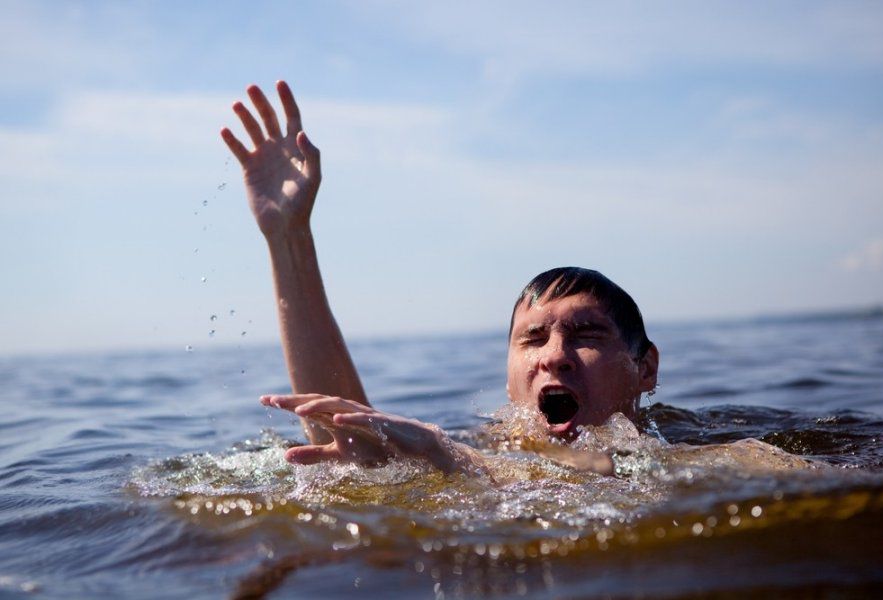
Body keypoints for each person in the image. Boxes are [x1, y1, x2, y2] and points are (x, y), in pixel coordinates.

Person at [221, 81, 659, 476]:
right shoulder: (487, 447)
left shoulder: (697, 451)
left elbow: (604, 474)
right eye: (533, 338)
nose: (554, 356)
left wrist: (445, 455)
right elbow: (349, 439)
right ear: (509, 381)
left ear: (646, 368)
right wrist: (288, 238)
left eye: (587, 334)